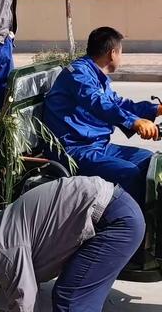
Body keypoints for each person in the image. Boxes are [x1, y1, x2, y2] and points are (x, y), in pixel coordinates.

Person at [0, 176, 145, 312]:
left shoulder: (4, 247)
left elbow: (25, 302)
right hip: (116, 210)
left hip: (116, 222)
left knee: (70, 299)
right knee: (70, 293)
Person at [44, 26, 162, 206]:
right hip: (75, 150)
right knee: (129, 173)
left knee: (149, 160)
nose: (121, 58)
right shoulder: (78, 74)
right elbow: (99, 104)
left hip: (98, 146)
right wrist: (135, 122)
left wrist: (156, 109)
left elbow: (118, 104)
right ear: (113, 53)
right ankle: (131, 226)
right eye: (121, 53)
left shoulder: (96, 76)